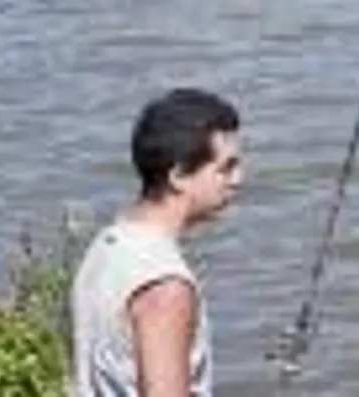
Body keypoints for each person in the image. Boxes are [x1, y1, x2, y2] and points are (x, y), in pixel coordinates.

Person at [71, 88, 244, 397]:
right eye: (226, 168)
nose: (238, 179)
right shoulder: (166, 287)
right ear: (178, 176)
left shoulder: (108, 244)